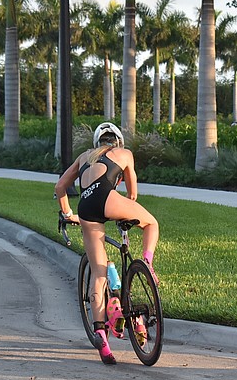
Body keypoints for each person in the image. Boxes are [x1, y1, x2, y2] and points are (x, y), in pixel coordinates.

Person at [55, 122, 160, 365]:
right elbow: (132, 194)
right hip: (108, 199)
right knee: (151, 223)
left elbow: (61, 186)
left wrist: (68, 214)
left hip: (85, 208)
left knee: (99, 273)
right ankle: (147, 264)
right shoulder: (124, 154)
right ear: (119, 142)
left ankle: (100, 332)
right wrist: (122, 207)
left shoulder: (84, 157)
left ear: (96, 143)